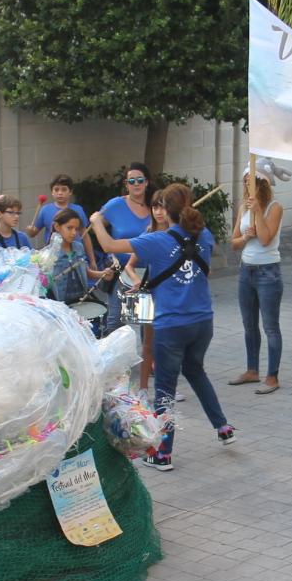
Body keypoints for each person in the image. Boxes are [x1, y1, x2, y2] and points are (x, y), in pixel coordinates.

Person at [91, 184, 234, 472]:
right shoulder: (204, 235)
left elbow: (109, 246)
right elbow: (201, 269)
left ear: (166, 211)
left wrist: (96, 221)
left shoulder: (157, 240)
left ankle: (162, 453)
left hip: (172, 325)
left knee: (165, 389)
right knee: (195, 371)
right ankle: (223, 426)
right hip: (202, 321)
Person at [228, 169, 286, 394]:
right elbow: (234, 243)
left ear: (263, 184)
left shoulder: (275, 207)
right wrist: (245, 236)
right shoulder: (243, 207)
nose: (247, 186)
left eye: (251, 181)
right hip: (246, 271)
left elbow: (265, 239)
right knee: (249, 325)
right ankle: (252, 370)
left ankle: (272, 376)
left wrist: (258, 212)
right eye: (244, 182)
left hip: (268, 272)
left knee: (270, 326)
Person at [98, 163, 154, 331]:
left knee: (147, 323)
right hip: (121, 271)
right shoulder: (115, 205)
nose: (136, 184)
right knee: (115, 322)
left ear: (146, 182)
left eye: (140, 180)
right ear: (126, 184)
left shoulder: (156, 206)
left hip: (149, 272)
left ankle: (146, 349)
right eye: (131, 181)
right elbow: (95, 224)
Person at [49, 208, 110, 307]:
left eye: (76, 229)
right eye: (69, 228)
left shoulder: (79, 247)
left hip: (81, 299)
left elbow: (85, 271)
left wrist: (102, 274)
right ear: (57, 227)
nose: (74, 233)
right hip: (61, 304)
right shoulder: (49, 253)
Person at [31, 174, 83, 246]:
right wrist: (30, 231)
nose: (60, 193)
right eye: (56, 190)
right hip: (52, 251)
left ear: (70, 192)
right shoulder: (45, 210)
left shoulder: (78, 209)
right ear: (52, 192)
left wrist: (91, 254)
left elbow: (84, 234)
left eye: (64, 189)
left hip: (75, 251)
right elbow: (33, 233)